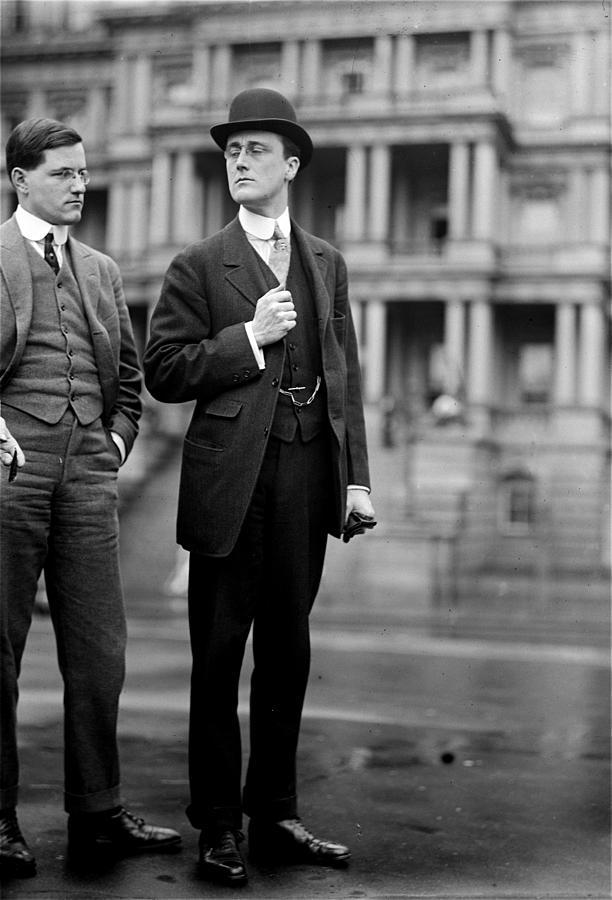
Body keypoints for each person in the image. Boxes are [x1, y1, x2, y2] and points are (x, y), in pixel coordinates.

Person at [144, 88, 375, 887]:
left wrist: (358, 482)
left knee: (288, 655)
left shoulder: (327, 262)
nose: (239, 163)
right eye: (231, 152)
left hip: (309, 476)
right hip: (227, 482)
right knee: (217, 659)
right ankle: (218, 826)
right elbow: (165, 370)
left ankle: (275, 814)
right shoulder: (199, 265)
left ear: (291, 165)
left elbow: (343, 378)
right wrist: (247, 338)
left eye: (255, 151)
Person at [0, 118, 181, 879]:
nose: (80, 184)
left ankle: (98, 810)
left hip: (89, 473)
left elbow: (131, 384)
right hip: (10, 467)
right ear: (20, 178)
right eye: (63, 173)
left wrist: (112, 446)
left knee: (101, 652)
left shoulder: (103, 270)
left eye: (83, 173)